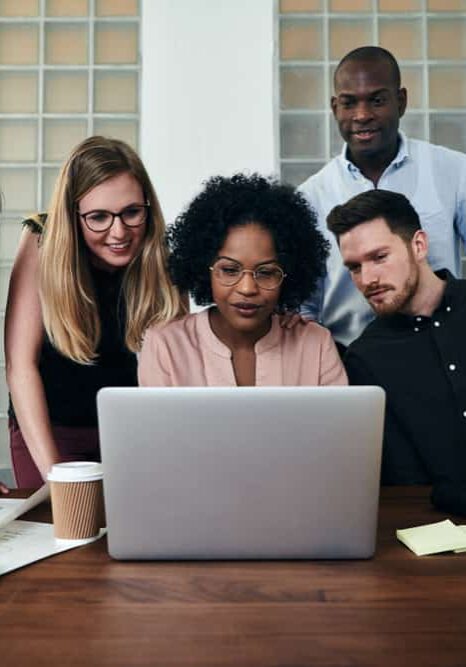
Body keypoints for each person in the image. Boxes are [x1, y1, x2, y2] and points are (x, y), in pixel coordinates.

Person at [5, 136, 184, 489]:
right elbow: (19, 365)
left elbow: (176, 370)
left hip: (133, 433)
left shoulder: (162, 251)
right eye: (98, 217)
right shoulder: (42, 240)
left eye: (132, 212)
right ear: (73, 217)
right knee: (66, 534)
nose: (119, 232)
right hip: (52, 429)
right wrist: (55, 475)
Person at [299, 46, 466, 348]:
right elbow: (304, 308)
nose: (362, 115)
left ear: (400, 102)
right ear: (335, 108)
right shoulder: (311, 196)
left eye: (376, 100)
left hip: (444, 354)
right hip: (349, 361)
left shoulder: (455, 171)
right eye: (349, 103)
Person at [139, 173, 347, 388]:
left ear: (289, 274)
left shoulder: (315, 343)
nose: (247, 289)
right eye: (230, 270)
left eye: (265, 272)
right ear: (204, 269)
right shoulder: (166, 344)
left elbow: (340, 422)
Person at [327, 189, 466, 509]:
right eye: (354, 267)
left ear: (419, 245)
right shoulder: (366, 359)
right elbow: (401, 481)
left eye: (379, 257)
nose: (368, 279)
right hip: (436, 532)